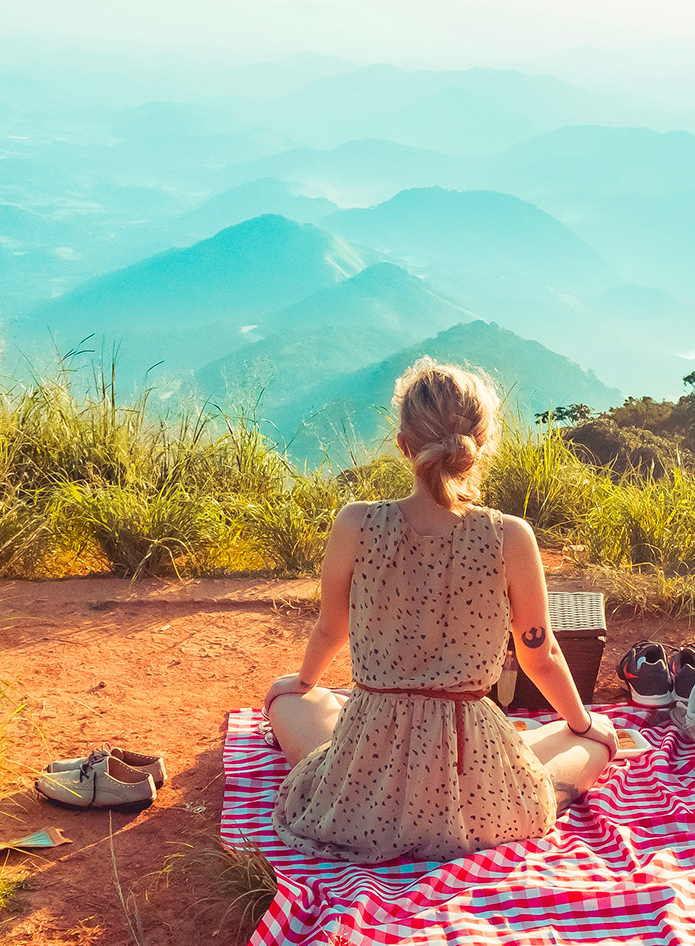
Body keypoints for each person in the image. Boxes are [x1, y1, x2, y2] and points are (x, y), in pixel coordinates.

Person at [262, 358, 618, 864]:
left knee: (289, 700)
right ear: (480, 448)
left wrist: (301, 681)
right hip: (472, 768)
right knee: (594, 740)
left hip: (369, 764)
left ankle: (336, 723)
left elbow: (330, 629)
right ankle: (551, 745)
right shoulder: (510, 535)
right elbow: (541, 656)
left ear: (404, 445)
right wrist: (583, 724)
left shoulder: (355, 524)